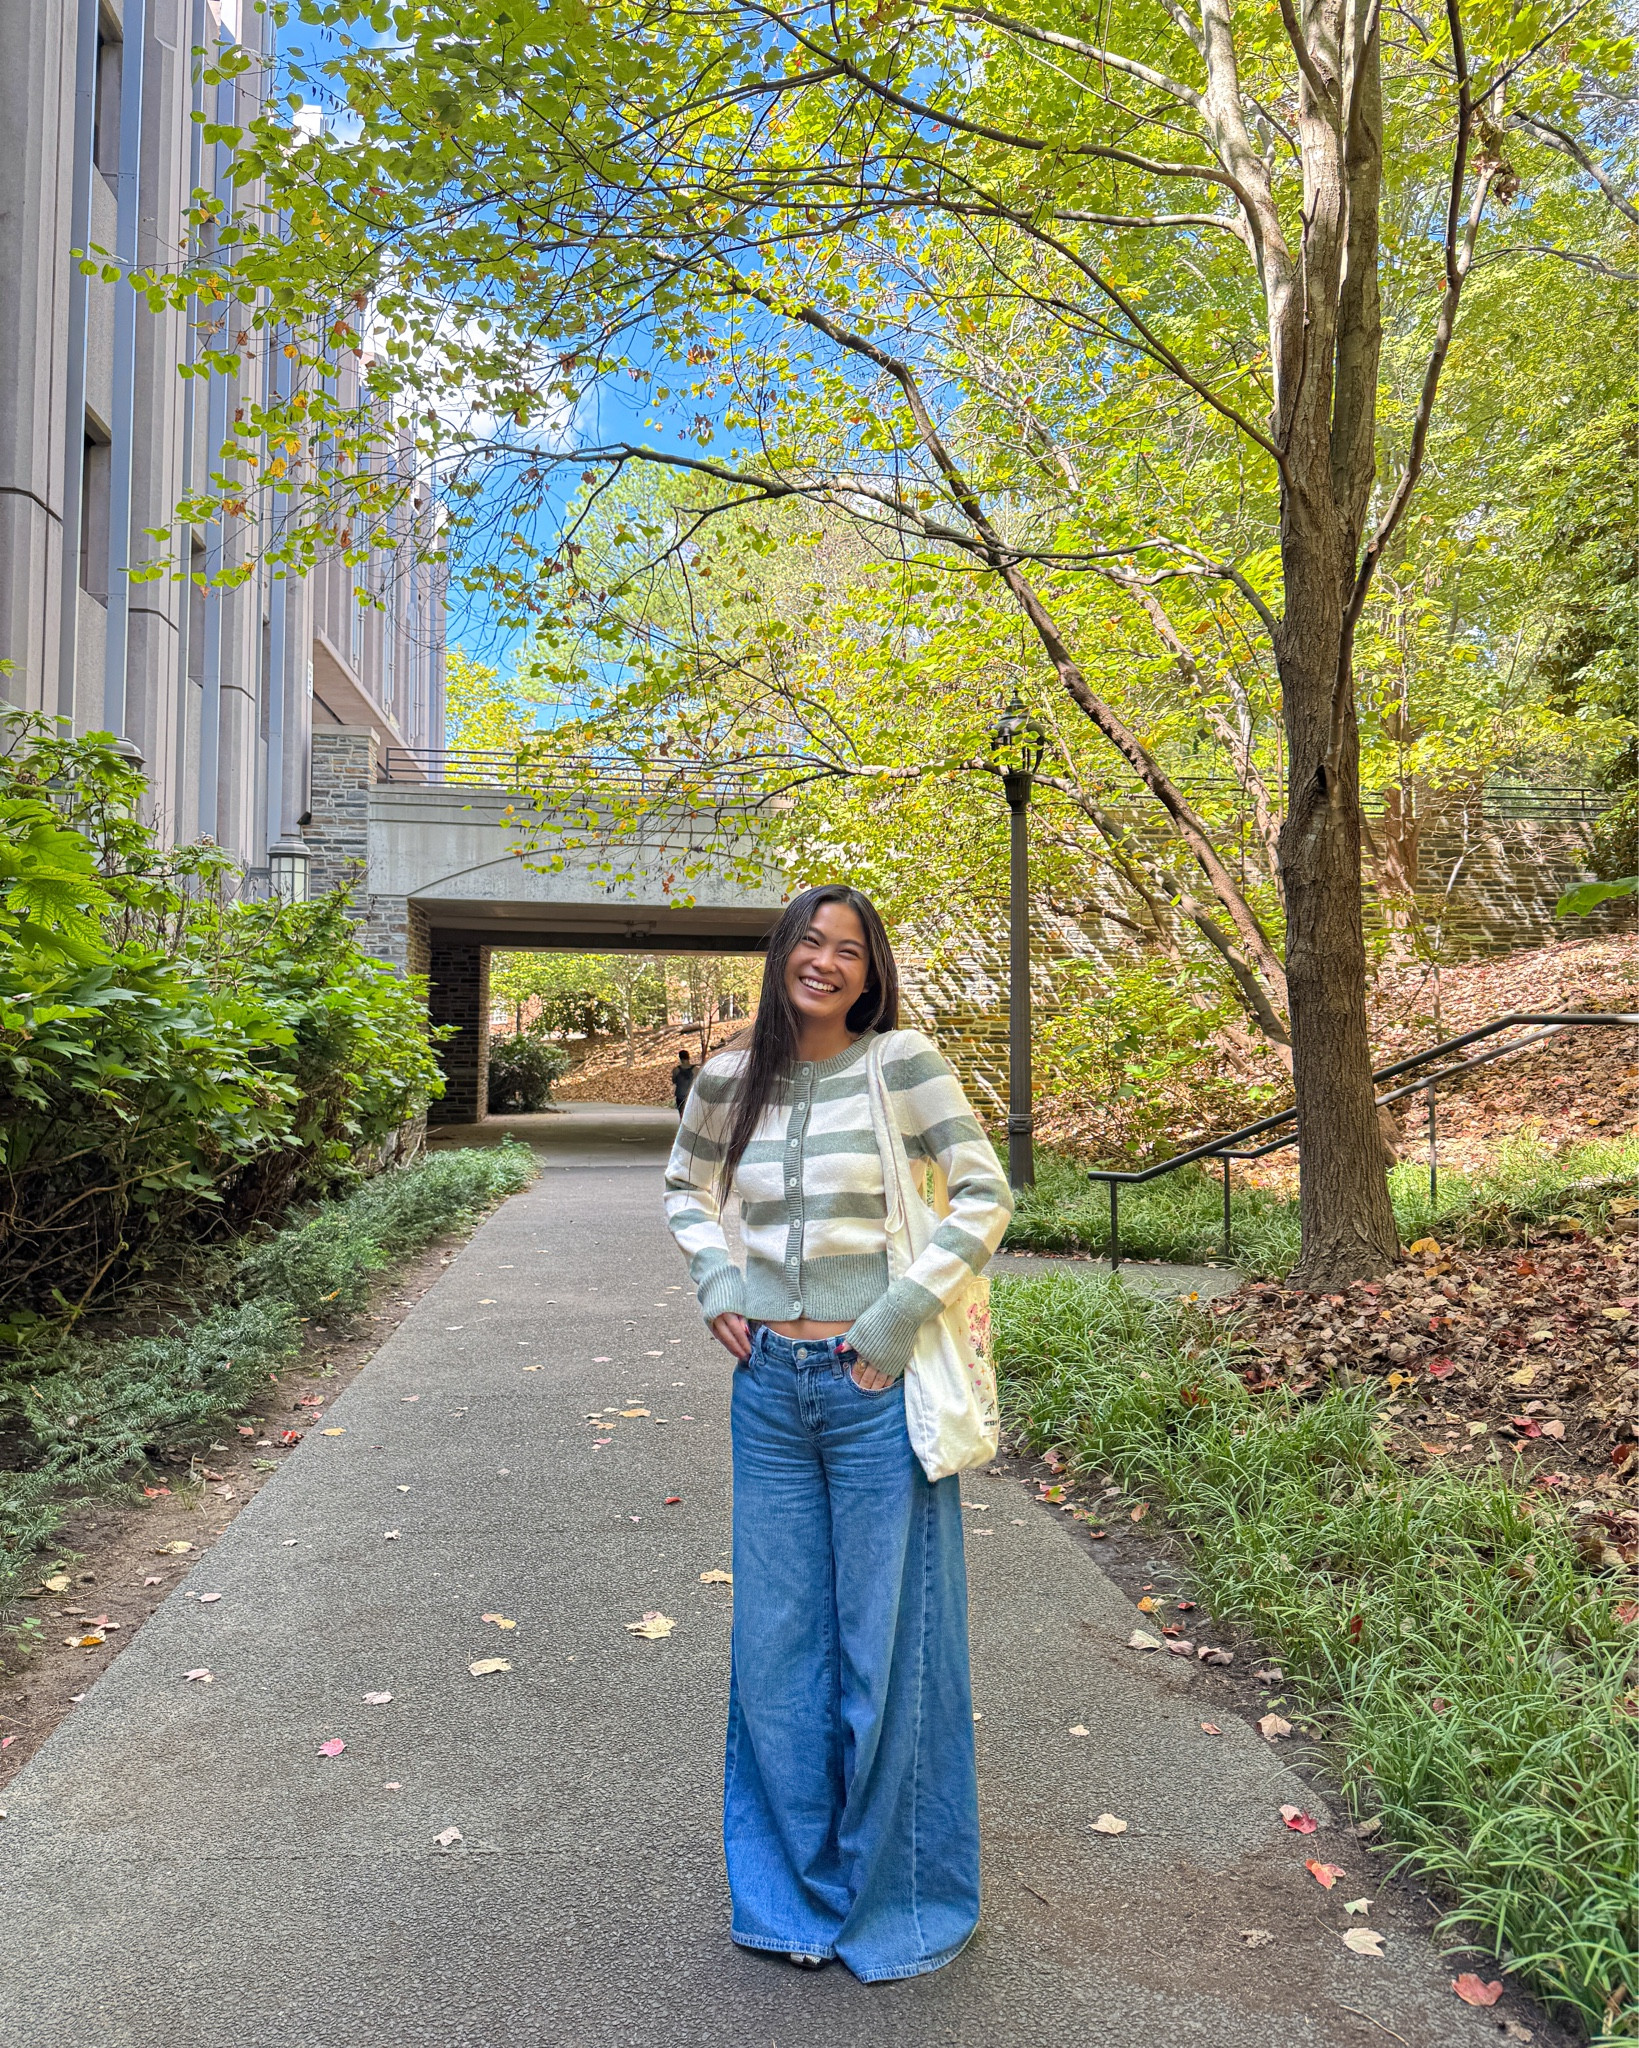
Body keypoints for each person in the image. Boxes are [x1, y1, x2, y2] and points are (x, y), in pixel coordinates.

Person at [662, 884, 1013, 1983]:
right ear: (781, 952)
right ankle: (787, 1900)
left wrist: (898, 1315)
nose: (824, 961)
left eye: (848, 950)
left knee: (886, 1648)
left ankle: (898, 1902)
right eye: (809, 941)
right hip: (769, 1389)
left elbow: (982, 1192)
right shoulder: (730, 1077)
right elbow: (683, 1183)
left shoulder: (899, 1062)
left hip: (871, 1391)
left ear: (870, 972)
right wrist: (716, 1273)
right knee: (776, 1649)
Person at [671, 1043, 697, 1116]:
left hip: (680, 1095)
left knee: (681, 1113)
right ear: (688, 1057)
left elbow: (674, 1081)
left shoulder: (676, 1070)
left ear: (680, 1058)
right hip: (691, 1095)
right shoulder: (696, 1070)